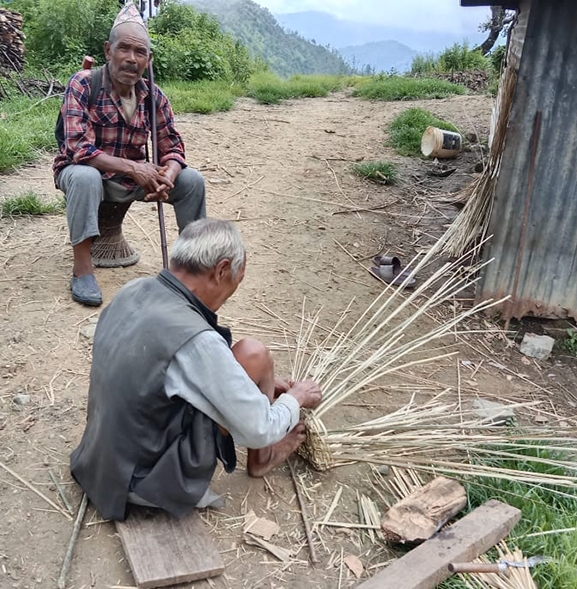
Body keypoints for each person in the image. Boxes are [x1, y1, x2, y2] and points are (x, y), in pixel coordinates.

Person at [70, 219, 322, 521]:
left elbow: (161, 371)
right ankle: (264, 458)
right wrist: (296, 397)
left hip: (99, 462)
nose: (233, 290)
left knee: (248, 363)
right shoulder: (197, 342)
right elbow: (259, 429)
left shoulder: (134, 289)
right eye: (237, 279)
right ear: (221, 270)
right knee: (254, 355)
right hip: (146, 482)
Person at [53, 1, 205, 307]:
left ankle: (192, 270)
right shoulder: (83, 84)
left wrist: (167, 176)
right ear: (109, 51)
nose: (131, 59)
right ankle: (83, 270)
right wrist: (136, 168)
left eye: (140, 53)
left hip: (130, 179)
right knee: (84, 177)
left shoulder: (154, 96)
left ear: (149, 59)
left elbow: (172, 147)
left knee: (192, 181)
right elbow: (78, 149)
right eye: (124, 49)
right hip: (87, 172)